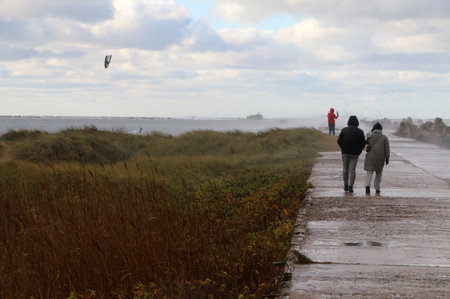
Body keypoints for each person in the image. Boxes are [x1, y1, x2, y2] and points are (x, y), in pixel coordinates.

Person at [337, 115, 366, 193]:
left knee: (345, 169)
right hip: (355, 153)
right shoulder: (360, 131)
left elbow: (339, 141)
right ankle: (351, 186)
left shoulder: (344, 130)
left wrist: (343, 148)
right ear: (357, 122)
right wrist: (359, 150)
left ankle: (345, 185)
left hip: (345, 152)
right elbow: (363, 143)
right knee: (352, 170)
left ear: (349, 122)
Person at [364, 122, 390, 194]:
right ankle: (377, 188)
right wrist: (387, 158)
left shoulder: (370, 135)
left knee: (369, 172)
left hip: (370, 157)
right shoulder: (384, 137)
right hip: (380, 158)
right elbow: (387, 149)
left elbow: (366, 142)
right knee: (378, 173)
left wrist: (368, 135)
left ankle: (367, 186)